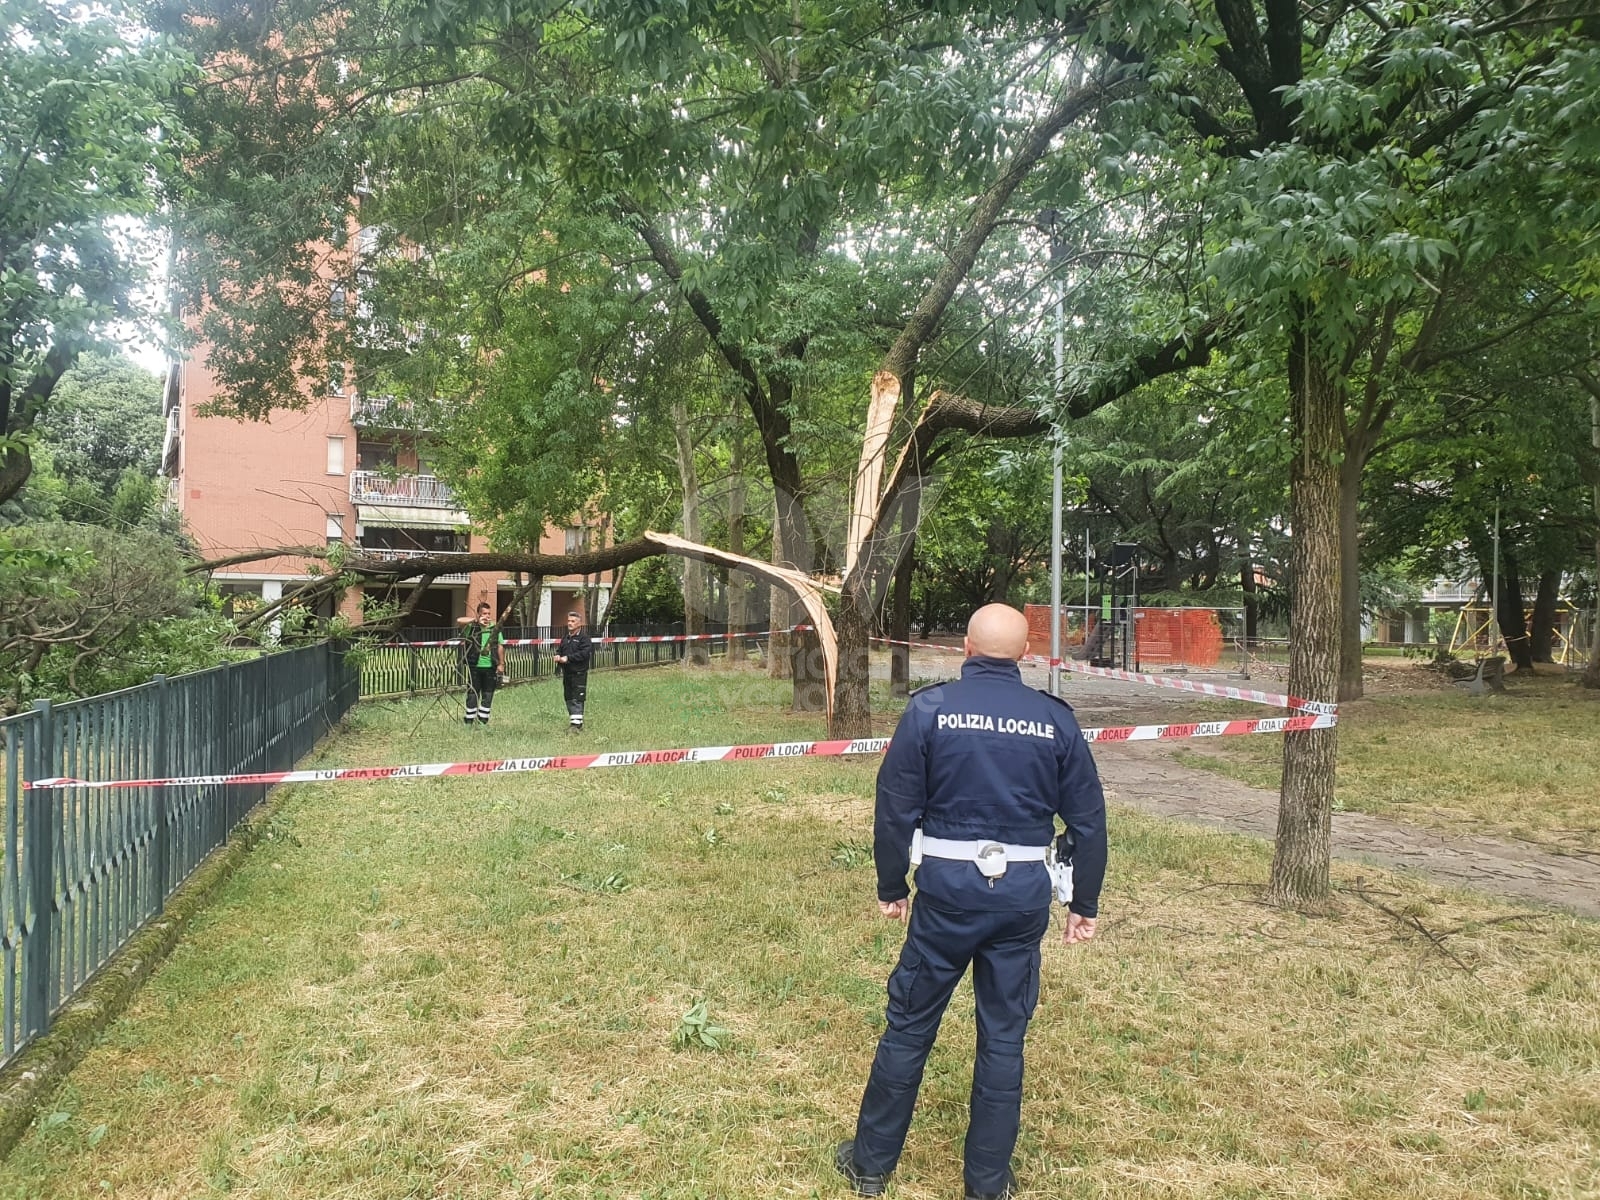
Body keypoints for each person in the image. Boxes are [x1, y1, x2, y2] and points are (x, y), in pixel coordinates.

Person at [836, 603, 1108, 1200]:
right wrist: (1082, 901)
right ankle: (986, 1183)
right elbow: (1088, 819)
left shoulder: (929, 711)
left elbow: (894, 807)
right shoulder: (1054, 720)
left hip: (945, 900)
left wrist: (891, 886)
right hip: (1021, 905)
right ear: (1026, 654)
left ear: (965, 646)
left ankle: (870, 1166)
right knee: (1004, 1037)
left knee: (908, 1026)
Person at [456, 602, 506, 726]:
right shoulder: (472, 628)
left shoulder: (494, 628)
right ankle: (469, 721)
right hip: (474, 667)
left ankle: (483, 721)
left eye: (489, 614)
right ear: (479, 614)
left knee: (488, 695)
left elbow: (500, 646)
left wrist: (501, 664)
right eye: (484, 613)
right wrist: (476, 621)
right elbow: (459, 620)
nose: (487, 616)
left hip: (490, 668)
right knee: (473, 695)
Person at [553, 609, 593, 729]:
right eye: (569, 621)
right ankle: (573, 722)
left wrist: (568, 658)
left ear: (579, 624)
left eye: (573, 621)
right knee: (569, 697)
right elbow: (560, 650)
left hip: (578, 673)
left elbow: (584, 654)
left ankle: (577, 726)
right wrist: (558, 656)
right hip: (567, 673)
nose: (570, 623)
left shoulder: (584, 639)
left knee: (577, 698)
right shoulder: (565, 638)